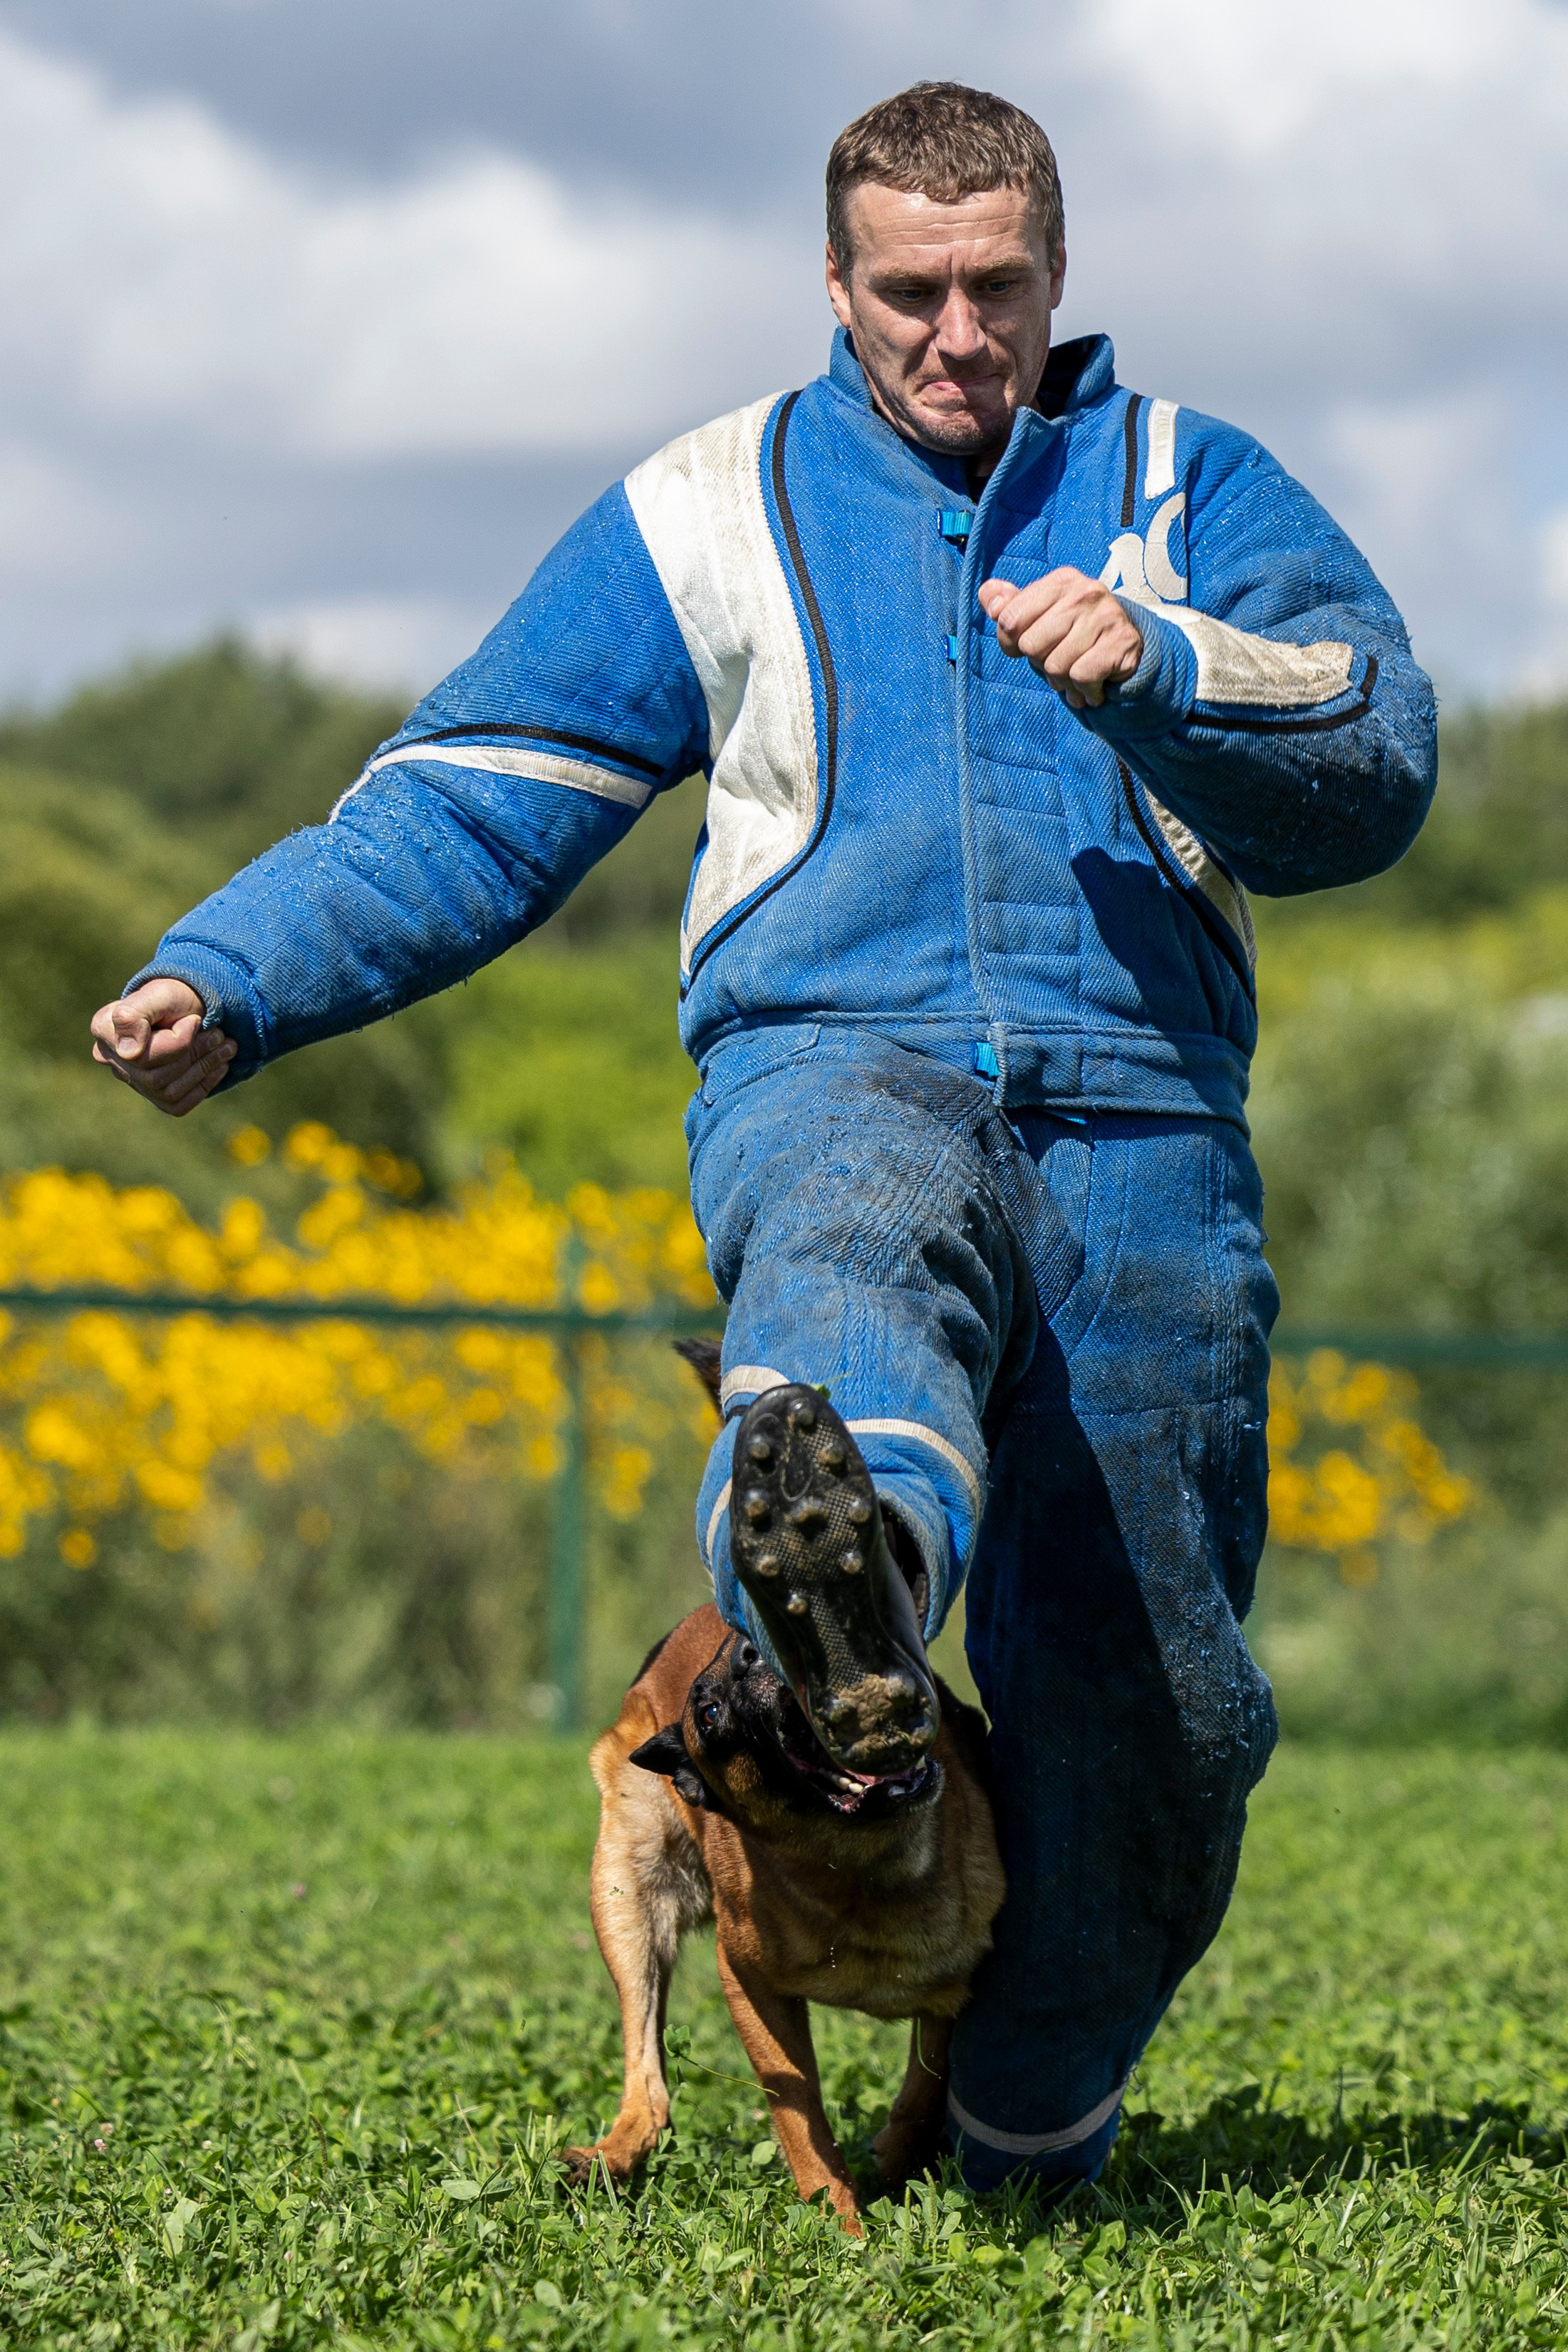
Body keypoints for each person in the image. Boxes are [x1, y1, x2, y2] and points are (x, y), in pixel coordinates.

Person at [90, 82, 1436, 2195]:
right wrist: (238, 970)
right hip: (836, 1050)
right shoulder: (703, 506)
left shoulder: (1191, 485)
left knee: (1164, 1713)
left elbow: (1371, 753)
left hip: (1144, 1131)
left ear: (1055, 275)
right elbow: (474, 793)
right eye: (909, 292)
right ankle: (853, 1555)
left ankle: (1019, 2121)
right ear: (835, 284)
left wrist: (1159, 663)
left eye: (996, 288)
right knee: (849, 1249)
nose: (954, 334)